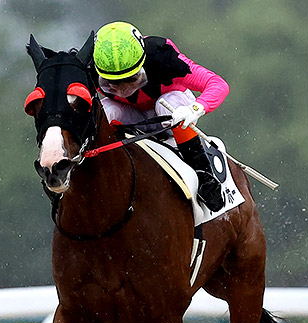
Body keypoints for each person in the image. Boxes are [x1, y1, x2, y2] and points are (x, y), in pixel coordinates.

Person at [92, 21, 229, 212]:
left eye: (131, 79)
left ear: (143, 63)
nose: (124, 90)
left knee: (167, 105)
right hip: (130, 118)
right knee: (102, 111)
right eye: (112, 83)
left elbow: (217, 84)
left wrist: (195, 108)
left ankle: (203, 173)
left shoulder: (164, 57)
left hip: (171, 112)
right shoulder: (87, 67)